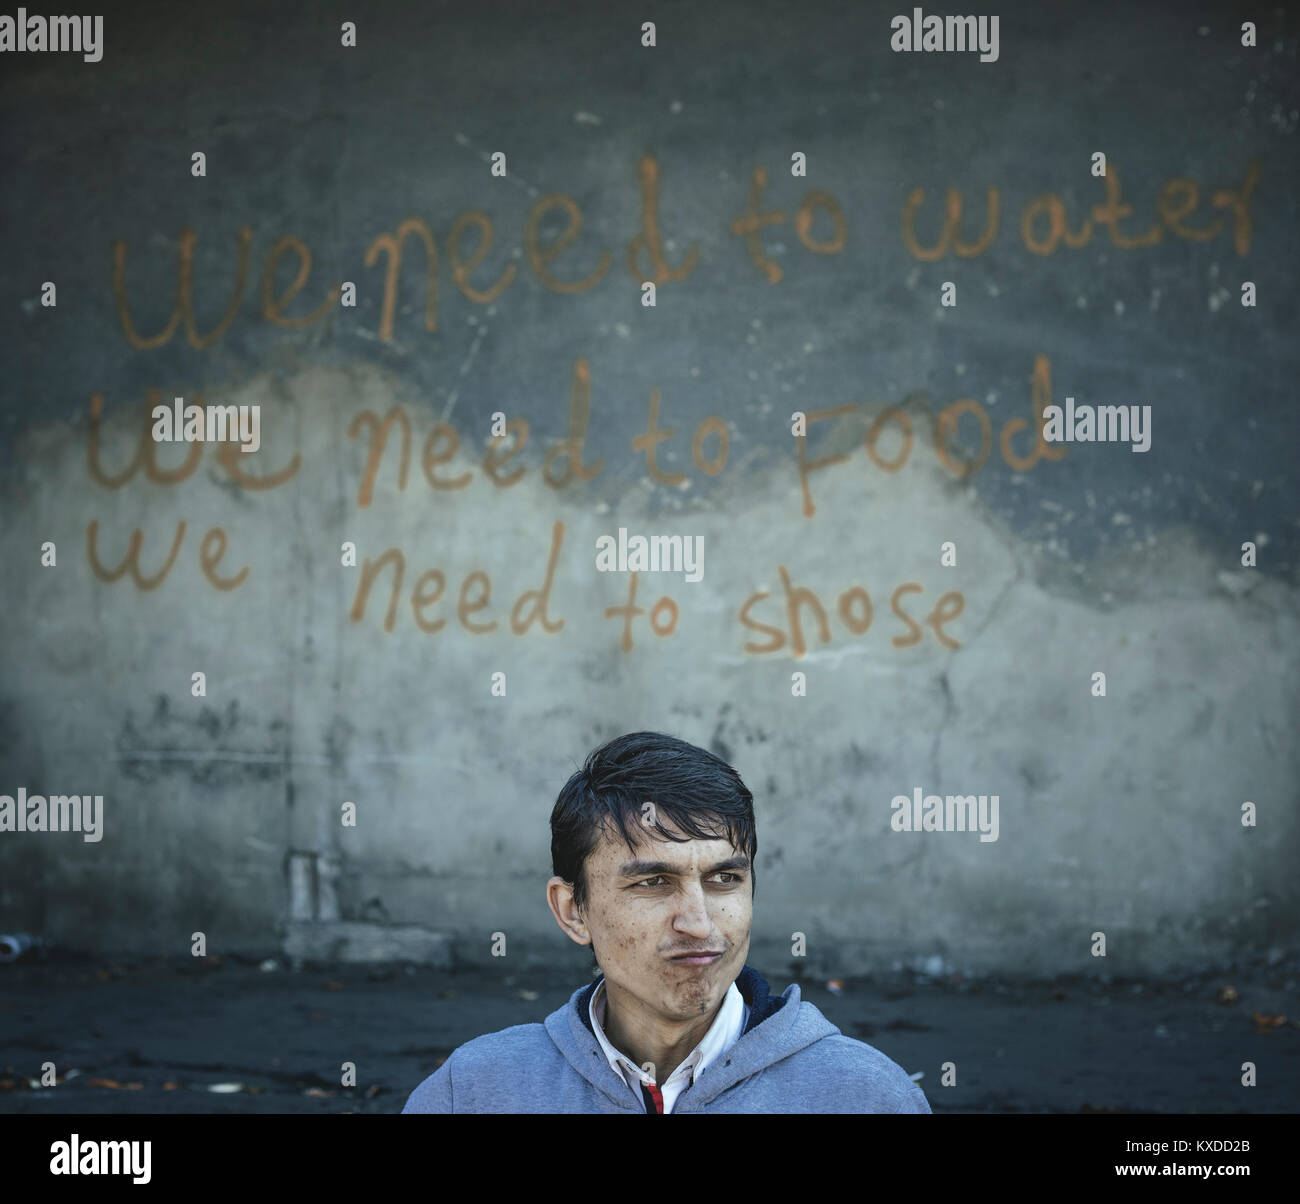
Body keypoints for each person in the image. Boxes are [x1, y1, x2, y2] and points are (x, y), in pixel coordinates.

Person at [403, 730, 930, 1114]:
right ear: (572, 910)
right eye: (653, 883)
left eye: (725, 879)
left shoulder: (865, 1095)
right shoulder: (476, 1091)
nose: (700, 924)